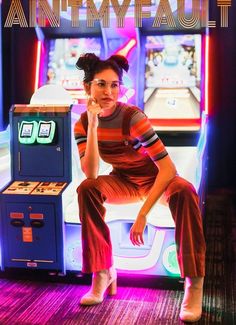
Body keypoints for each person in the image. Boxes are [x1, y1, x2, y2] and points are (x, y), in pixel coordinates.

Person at [74, 53, 206, 323]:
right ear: (88, 87)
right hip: (123, 181)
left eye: (114, 85)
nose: (109, 91)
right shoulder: (83, 124)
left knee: (185, 191)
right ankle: (103, 272)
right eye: (101, 84)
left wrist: (143, 213)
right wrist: (94, 124)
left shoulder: (133, 117)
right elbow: (91, 172)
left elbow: (167, 169)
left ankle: (194, 283)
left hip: (158, 178)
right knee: (87, 189)